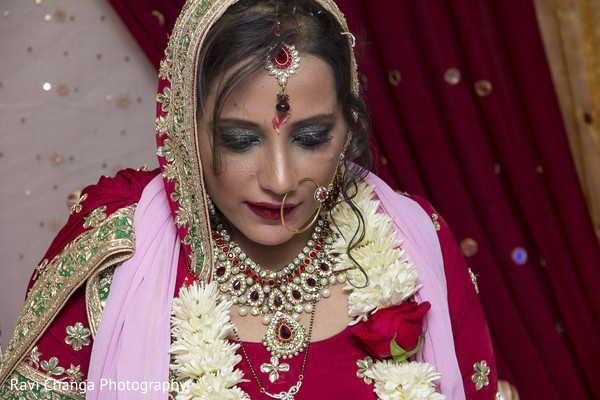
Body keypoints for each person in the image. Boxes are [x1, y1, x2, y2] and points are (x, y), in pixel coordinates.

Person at [0, 0, 498, 399]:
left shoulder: (413, 240)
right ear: (183, 130)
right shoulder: (116, 259)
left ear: (347, 127)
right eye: (240, 140)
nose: (280, 181)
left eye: (312, 137)